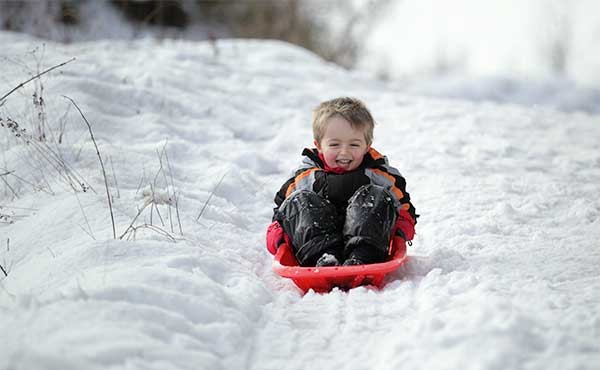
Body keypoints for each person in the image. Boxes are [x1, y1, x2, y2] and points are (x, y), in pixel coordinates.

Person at [266, 97, 417, 267]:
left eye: (354, 145)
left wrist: (400, 232)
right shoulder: (305, 177)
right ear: (319, 145)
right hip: (316, 245)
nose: (344, 153)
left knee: (377, 195)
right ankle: (324, 258)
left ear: (367, 146)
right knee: (298, 199)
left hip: (368, 242)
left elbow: (404, 208)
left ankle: (360, 257)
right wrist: (279, 236)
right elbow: (283, 210)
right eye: (335, 144)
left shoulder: (380, 174)